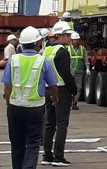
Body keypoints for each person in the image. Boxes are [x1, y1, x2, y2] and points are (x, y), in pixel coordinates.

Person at [2, 26, 59, 169]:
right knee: (33, 144)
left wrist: (9, 102)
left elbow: (7, 85)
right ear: (37, 43)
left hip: (15, 107)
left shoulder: (13, 60)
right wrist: (55, 99)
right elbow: (53, 86)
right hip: (35, 109)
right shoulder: (43, 61)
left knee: (17, 144)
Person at [42, 21, 78, 166]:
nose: (70, 38)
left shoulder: (47, 50)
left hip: (47, 89)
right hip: (61, 90)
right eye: (68, 35)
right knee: (62, 124)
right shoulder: (62, 51)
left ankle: (47, 155)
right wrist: (74, 90)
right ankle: (58, 156)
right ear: (60, 36)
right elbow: (65, 73)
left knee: (49, 123)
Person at [68, 32, 88, 110]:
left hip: (79, 71)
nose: (76, 41)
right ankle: (70, 102)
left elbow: (85, 59)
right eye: (74, 40)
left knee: (78, 88)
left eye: (77, 40)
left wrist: (88, 68)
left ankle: (75, 103)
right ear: (72, 40)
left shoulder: (82, 49)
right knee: (70, 88)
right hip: (70, 71)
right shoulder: (68, 48)